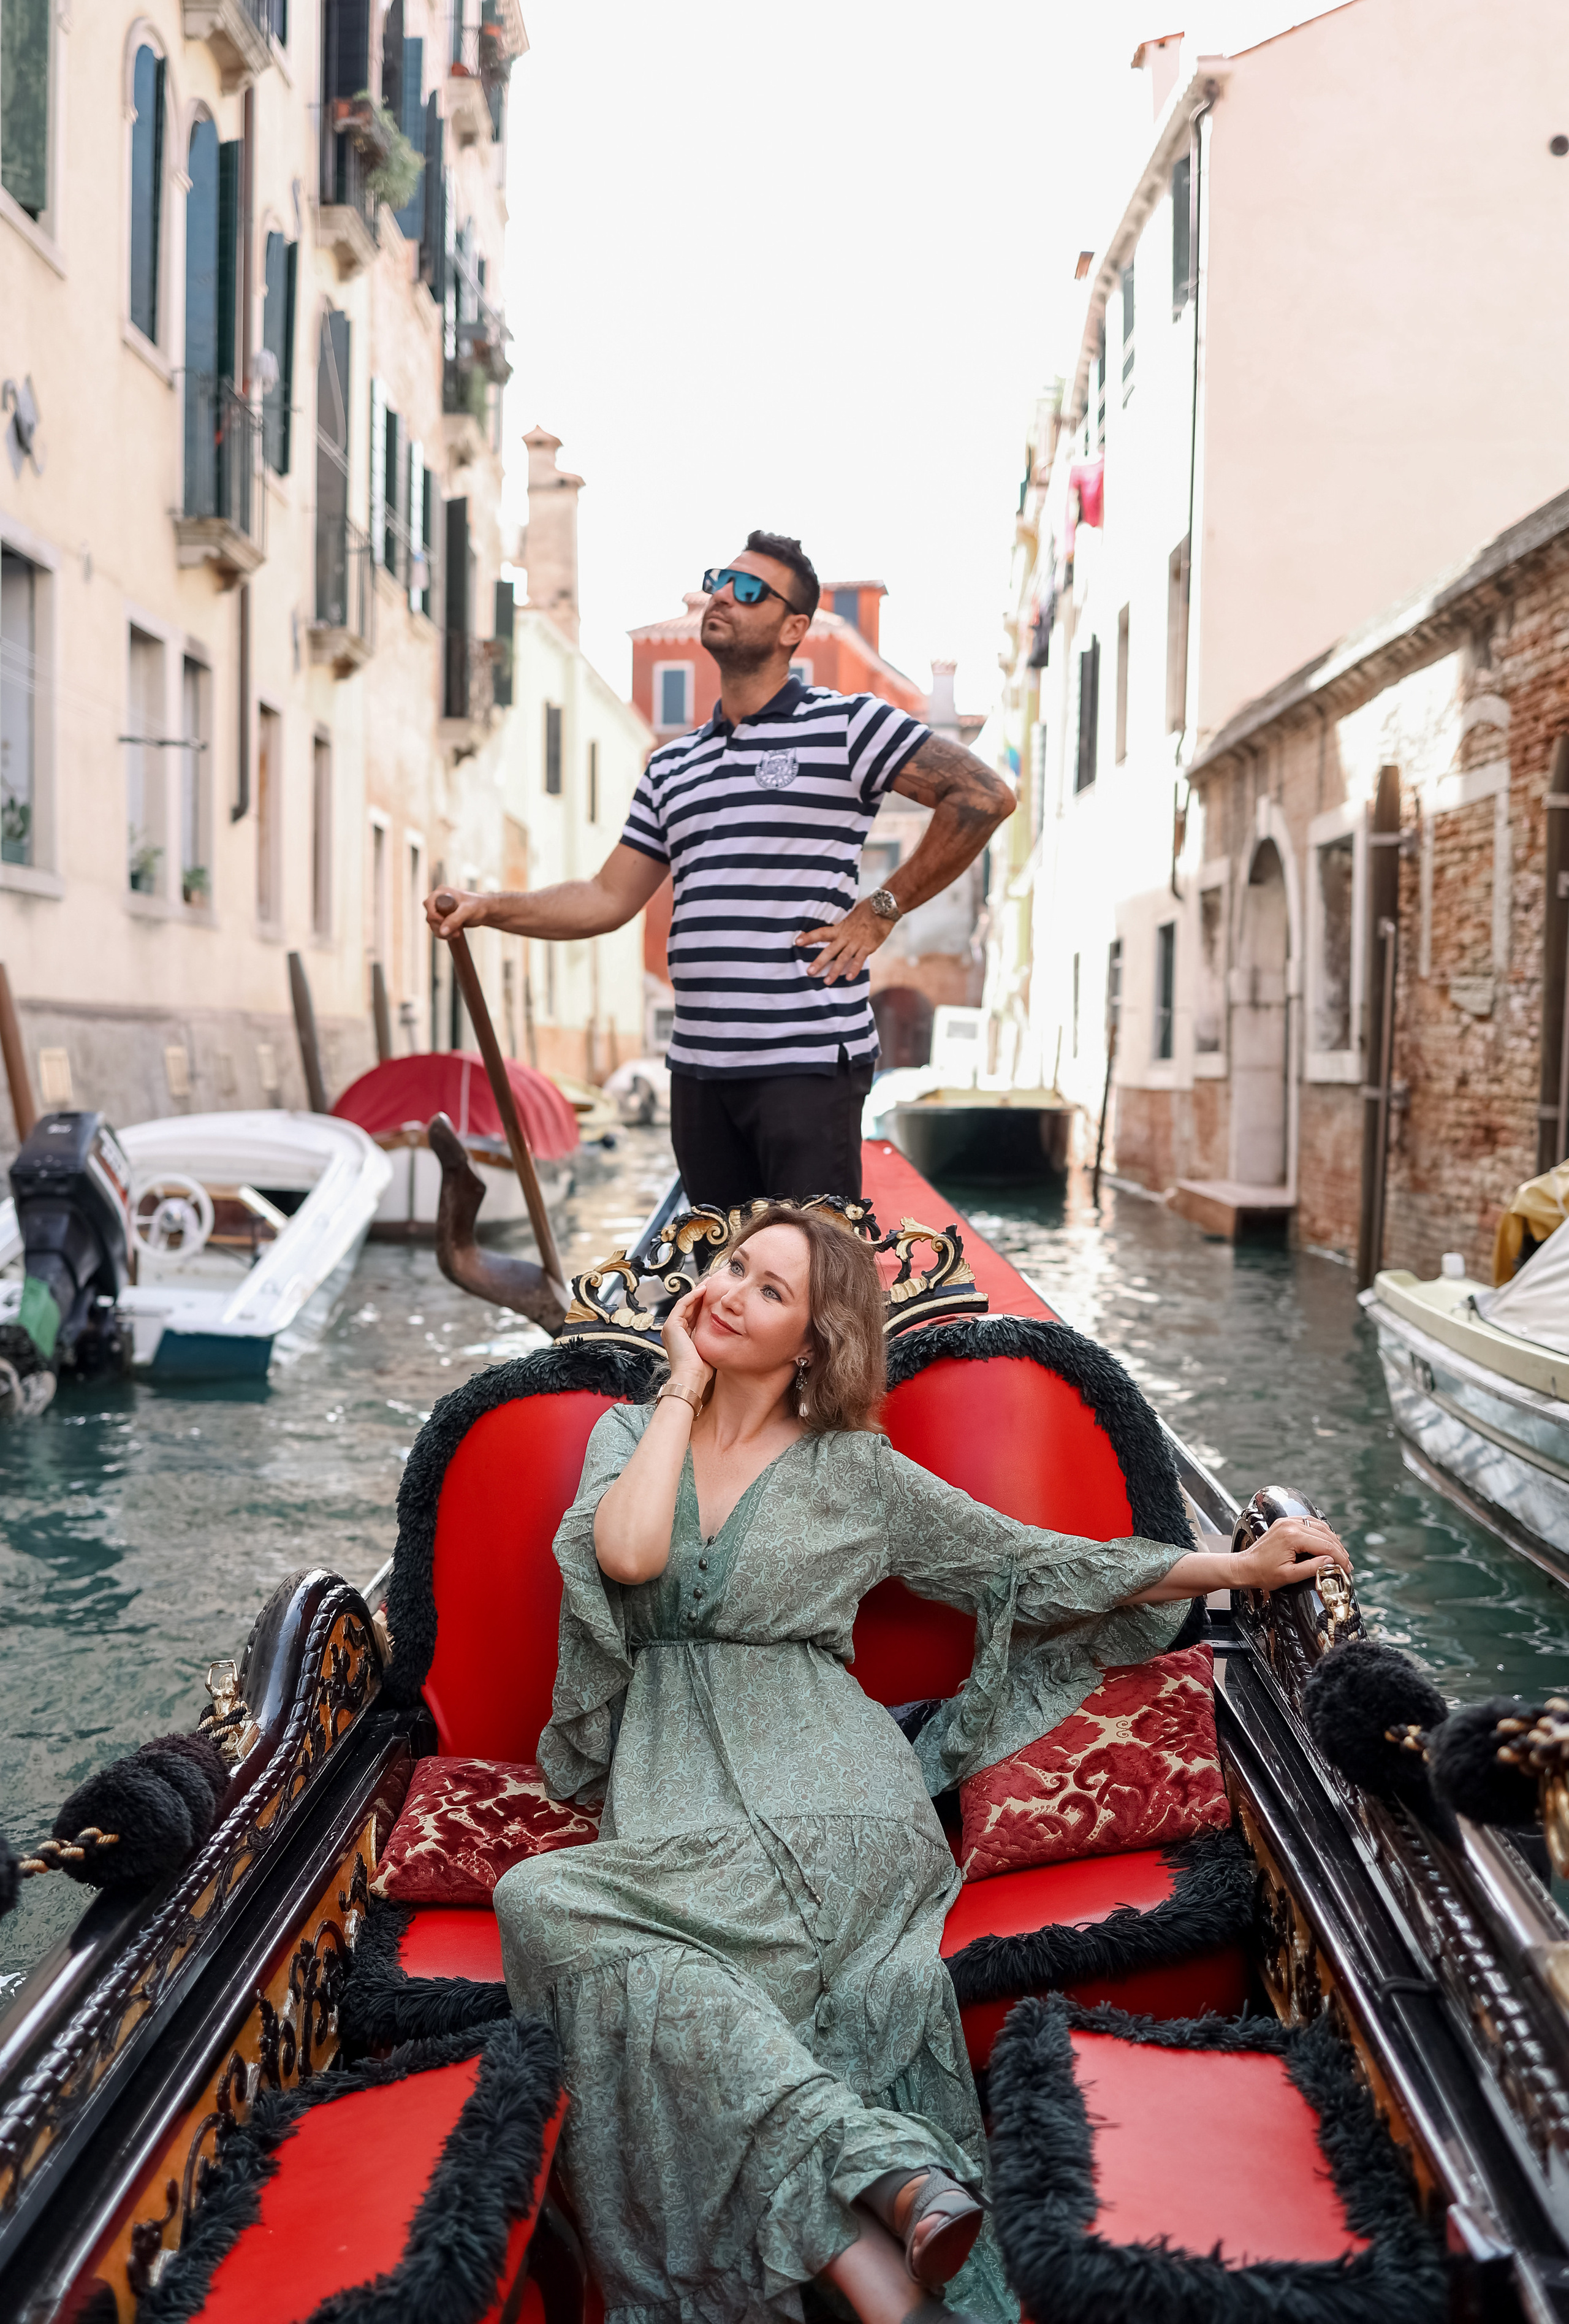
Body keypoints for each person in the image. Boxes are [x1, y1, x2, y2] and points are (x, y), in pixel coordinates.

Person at [493, 1206, 1351, 2324]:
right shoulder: (630, 1435)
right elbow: (628, 1550)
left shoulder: (860, 1474)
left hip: (835, 1788)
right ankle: (882, 2209)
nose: (730, 1293)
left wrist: (1237, 1568)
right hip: (675, 1788)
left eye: (770, 1291)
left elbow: (1030, 1564)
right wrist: (681, 1390)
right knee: (559, 1912)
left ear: (814, 1343)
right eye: (734, 1266)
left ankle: (868, 2234)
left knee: (636, 1954)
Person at [426, 531, 1016, 1210]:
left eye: (749, 591)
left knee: (811, 1265)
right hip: (699, 1071)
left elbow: (983, 796)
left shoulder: (848, 725)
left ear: (793, 628)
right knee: (720, 1264)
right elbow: (605, 897)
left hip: (805, 1063)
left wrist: (881, 909)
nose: (724, 597)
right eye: (720, 581)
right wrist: (489, 908)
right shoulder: (671, 766)